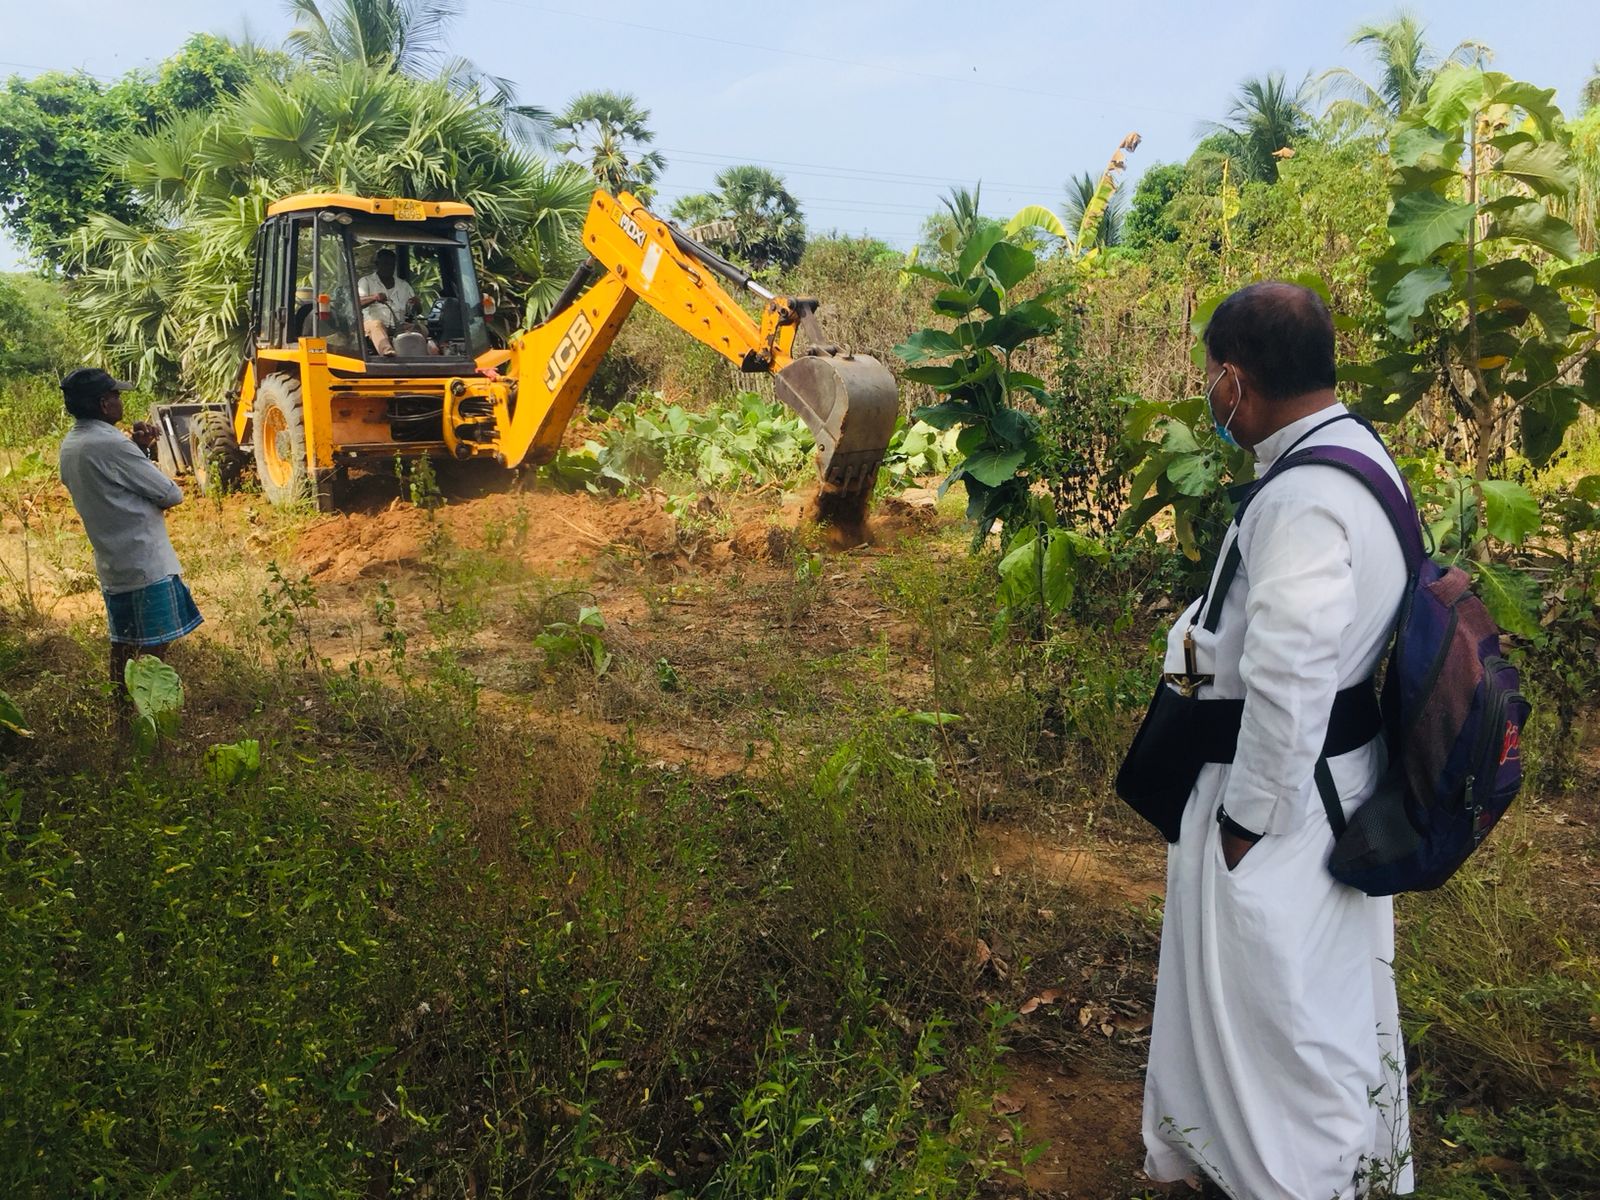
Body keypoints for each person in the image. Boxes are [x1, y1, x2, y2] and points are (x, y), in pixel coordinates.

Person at [1139, 283, 1413, 1198]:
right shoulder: (1357, 452)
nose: (1213, 399)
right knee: (1309, 994)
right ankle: (1296, 1167)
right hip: (1330, 773)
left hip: (1284, 793)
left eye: (1212, 382)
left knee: (1280, 1016)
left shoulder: (1304, 499)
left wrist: (1250, 817)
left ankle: (1294, 1180)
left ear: (1233, 380)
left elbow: (1292, 671)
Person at [56, 368, 202, 706]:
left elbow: (112, 488)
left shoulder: (73, 444)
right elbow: (170, 493)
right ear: (105, 404)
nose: (122, 400)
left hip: (114, 562)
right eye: (117, 395)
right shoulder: (110, 444)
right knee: (152, 656)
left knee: (123, 648)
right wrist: (140, 453)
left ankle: (122, 721)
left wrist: (140, 450)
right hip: (145, 563)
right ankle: (150, 722)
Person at [357, 248, 416, 356]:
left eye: (391, 264)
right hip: (373, 324)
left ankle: (421, 354)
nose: (388, 267)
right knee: (376, 325)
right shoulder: (366, 281)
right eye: (385, 263)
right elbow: (357, 303)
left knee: (420, 328)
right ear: (377, 264)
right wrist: (374, 298)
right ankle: (387, 352)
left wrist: (416, 303)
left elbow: (415, 310)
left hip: (398, 326)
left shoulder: (403, 285)